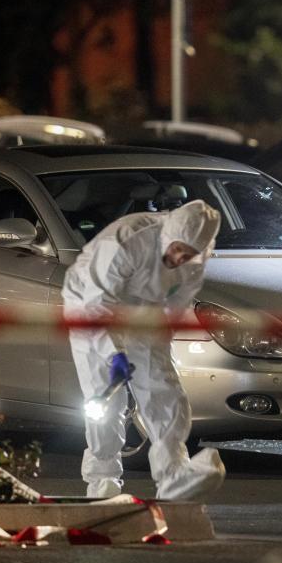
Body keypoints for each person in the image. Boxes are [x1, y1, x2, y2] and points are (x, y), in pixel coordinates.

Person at [62, 199, 226, 499]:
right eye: (177, 248)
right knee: (105, 399)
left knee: (164, 391)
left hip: (145, 313)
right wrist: (114, 354)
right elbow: (95, 304)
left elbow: (176, 304)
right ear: (168, 235)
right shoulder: (126, 240)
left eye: (188, 253)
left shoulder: (196, 258)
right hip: (89, 304)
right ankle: (102, 479)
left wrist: (160, 344)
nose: (179, 257)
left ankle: (173, 473)